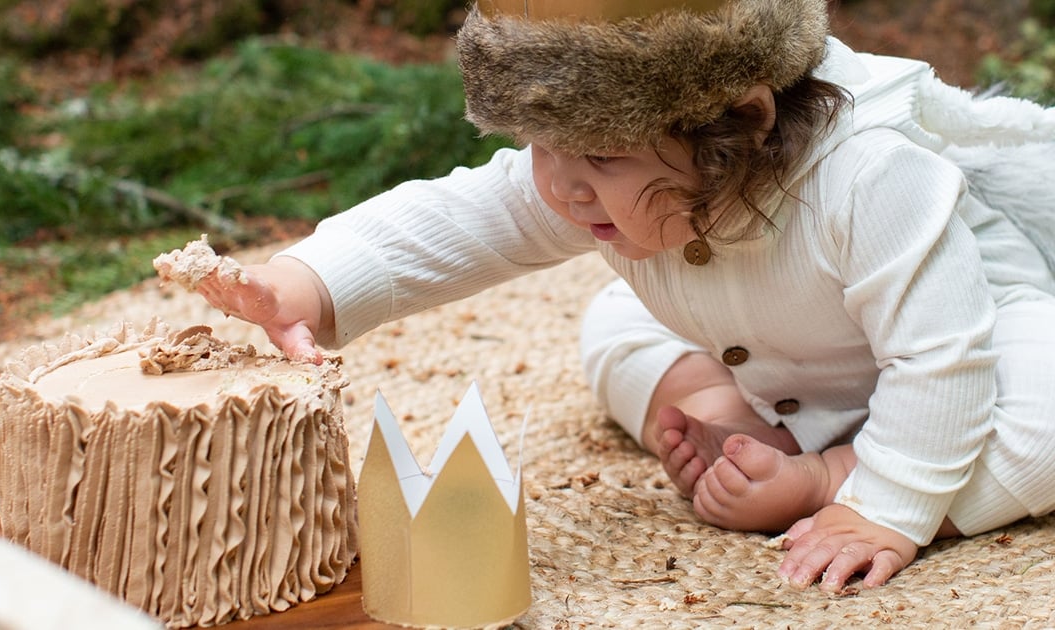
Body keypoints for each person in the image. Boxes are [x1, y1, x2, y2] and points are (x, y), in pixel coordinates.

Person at [194, 0, 1055, 593]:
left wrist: (879, 506)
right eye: (540, 147)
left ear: (743, 125)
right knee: (611, 322)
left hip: (972, 347)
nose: (562, 189)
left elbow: (941, 355)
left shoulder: (871, 176)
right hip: (783, 354)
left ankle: (822, 471)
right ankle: (724, 411)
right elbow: (465, 216)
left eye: (601, 161)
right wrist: (308, 280)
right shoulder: (597, 177)